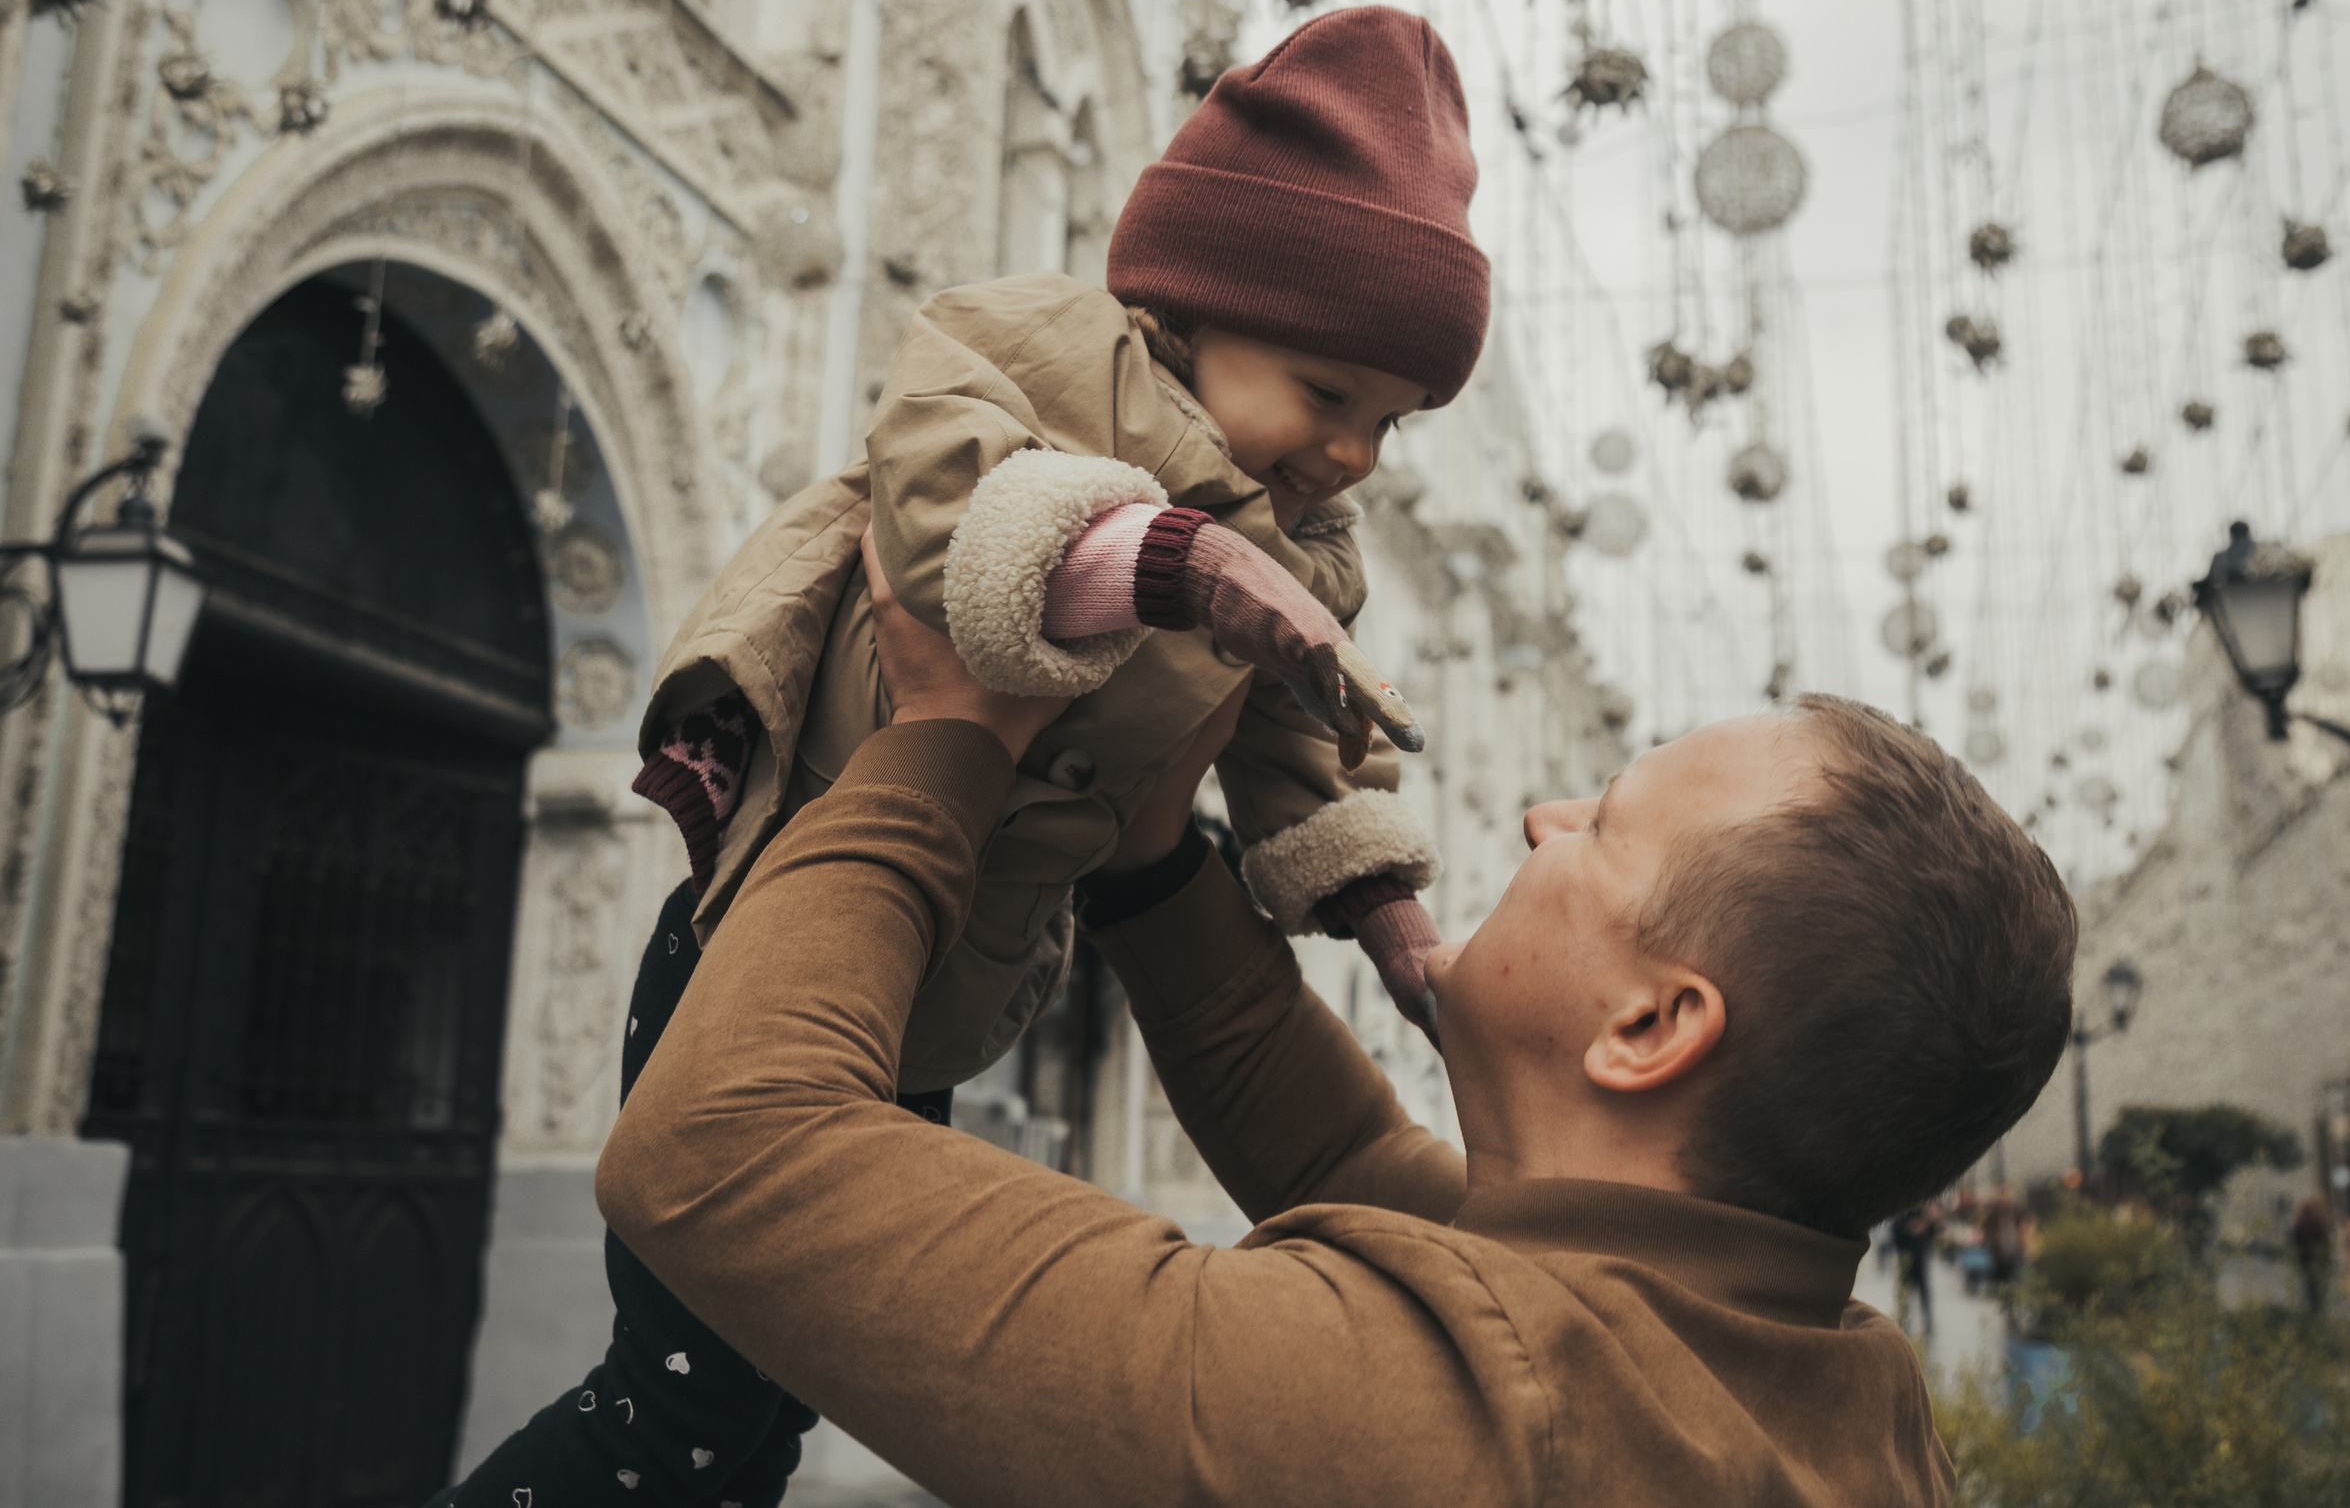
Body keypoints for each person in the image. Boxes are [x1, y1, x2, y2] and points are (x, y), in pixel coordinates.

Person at [436, 6, 1486, 1506]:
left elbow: (1297, 766)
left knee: (754, 1425)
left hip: (936, 1001)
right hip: (768, 954)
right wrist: (1176, 564)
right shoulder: (1029, 349)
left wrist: (1384, 915)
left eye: (1393, 422)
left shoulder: (1312, 554)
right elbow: (951, 532)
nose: (1356, 456)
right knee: (668, 1415)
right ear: (1196, 303)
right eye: (1332, 396)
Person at [588, 539, 2082, 1506]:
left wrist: (943, 742)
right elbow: (1354, 1157)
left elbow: (722, 1148)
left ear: (1650, 1025)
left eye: (1606, 825)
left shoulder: (1455, 1426)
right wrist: (1155, 856)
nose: (1542, 815)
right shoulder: (1820, 1370)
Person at [1892, 1201, 1945, 1337]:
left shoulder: (1925, 1214)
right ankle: (1904, 1321)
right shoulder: (1902, 1213)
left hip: (1920, 1260)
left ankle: (1927, 1319)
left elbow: (1936, 1231)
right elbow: (1895, 1234)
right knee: (1905, 1291)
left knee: (1924, 1291)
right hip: (1906, 1260)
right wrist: (1910, 1228)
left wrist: (1931, 1222)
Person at [2291, 1194, 2335, 1316]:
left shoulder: (2303, 1225)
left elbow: (2295, 1243)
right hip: (2314, 1261)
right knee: (2316, 1287)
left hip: (2308, 1261)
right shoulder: (2315, 1224)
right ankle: (2317, 1311)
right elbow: (2324, 1243)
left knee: (2312, 1287)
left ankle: (2315, 1312)